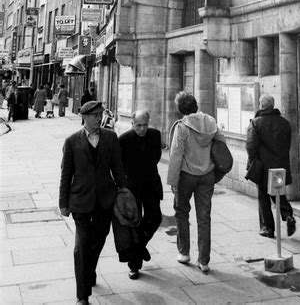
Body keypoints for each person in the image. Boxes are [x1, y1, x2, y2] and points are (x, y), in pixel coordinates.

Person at [59, 101, 127, 305]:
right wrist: (63, 203)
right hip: (80, 200)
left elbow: (118, 168)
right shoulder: (71, 141)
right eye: (96, 115)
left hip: (105, 200)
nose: (100, 118)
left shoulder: (111, 137)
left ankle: (89, 271)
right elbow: (66, 174)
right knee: (81, 246)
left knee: (98, 241)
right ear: (85, 117)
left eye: (101, 114)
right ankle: (82, 294)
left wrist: (124, 191)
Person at [167, 92, 226, 274]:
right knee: (204, 217)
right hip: (207, 175)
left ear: (179, 109)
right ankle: (204, 261)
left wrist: (173, 181)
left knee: (182, 212)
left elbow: (176, 156)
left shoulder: (182, 127)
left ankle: (184, 252)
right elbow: (221, 145)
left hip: (186, 175)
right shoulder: (210, 121)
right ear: (195, 104)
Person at [118, 110, 163, 280]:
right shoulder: (124, 140)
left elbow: (156, 157)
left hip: (151, 184)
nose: (142, 129)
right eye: (139, 125)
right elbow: (119, 165)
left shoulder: (155, 135)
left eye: (145, 125)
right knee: (134, 225)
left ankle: (138, 247)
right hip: (133, 188)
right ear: (132, 124)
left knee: (155, 217)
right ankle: (134, 266)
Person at [245, 94, 296, 239]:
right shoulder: (284, 123)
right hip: (279, 165)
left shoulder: (256, 123)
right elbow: (287, 145)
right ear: (272, 106)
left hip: (263, 167)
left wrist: (253, 161)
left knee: (263, 196)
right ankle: (287, 215)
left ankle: (268, 228)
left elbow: (251, 146)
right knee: (278, 193)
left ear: (261, 106)